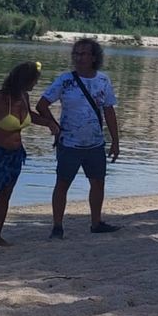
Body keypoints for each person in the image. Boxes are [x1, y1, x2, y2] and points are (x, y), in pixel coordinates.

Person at [37, 39, 121, 238]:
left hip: (95, 143)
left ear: (94, 57)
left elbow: (109, 111)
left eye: (84, 54)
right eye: (76, 54)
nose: (79, 58)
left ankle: (96, 222)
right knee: (63, 183)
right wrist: (54, 125)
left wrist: (115, 141)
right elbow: (42, 104)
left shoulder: (103, 81)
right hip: (69, 143)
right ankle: (57, 226)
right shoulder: (65, 80)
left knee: (98, 182)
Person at [0, 61, 56, 246]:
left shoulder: (24, 97)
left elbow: (30, 116)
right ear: (24, 80)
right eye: (34, 81)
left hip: (15, 154)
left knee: (4, 195)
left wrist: (49, 123)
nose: (35, 84)